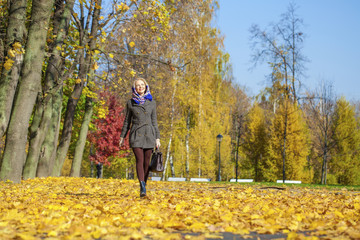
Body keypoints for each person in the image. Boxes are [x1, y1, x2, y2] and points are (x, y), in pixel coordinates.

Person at [119, 77, 161, 197]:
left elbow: (154, 122)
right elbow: (127, 121)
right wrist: (122, 136)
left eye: (142, 85)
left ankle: (144, 186)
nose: (140, 87)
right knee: (139, 160)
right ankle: (142, 185)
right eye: (138, 85)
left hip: (149, 134)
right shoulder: (130, 103)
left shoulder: (152, 103)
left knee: (147, 162)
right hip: (136, 134)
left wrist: (157, 138)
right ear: (135, 88)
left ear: (146, 86)